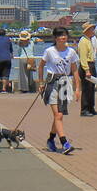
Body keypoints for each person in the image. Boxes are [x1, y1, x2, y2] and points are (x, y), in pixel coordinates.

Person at [37, 26, 80, 154]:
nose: (63, 37)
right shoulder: (49, 51)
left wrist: (77, 88)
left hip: (65, 83)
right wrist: (41, 83)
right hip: (52, 83)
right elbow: (41, 66)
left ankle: (50, 139)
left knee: (58, 116)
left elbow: (75, 70)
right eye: (60, 35)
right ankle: (64, 143)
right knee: (58, 115)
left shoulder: (71, 52)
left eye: (65, 35)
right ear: (55, 38)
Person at [77, 23, 97, 116]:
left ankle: (91, 108)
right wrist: (87, 70)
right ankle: (85, 109)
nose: (93, 31)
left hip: (91, 64)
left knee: (91, 88)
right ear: (87, 31)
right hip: (87, 66)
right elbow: (83, 57)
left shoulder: (88, 40)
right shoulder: (83, 41)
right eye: (91, 29)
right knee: (87, 89)